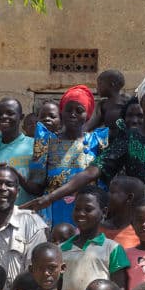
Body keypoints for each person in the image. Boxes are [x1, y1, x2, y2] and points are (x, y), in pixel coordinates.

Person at [26, 74, 145, 208]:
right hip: (139, 221)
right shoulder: (129, 138)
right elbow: (92, 171)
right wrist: (50, 198)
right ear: (141, 103)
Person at [23, 84, 108, 225]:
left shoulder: (97, 141)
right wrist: (17, 176)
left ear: (87, 115)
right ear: (62, 111)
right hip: (53, 212)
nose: (73, 114)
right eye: (69, 110)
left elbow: (103, 184)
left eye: (79, 110)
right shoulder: (46, 142)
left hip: (87, 213)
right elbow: (37, 185)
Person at [60, 186, 129, 290]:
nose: (81, 213)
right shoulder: (61, 249)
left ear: (104, 212)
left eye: (88, 209)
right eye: (77, 209)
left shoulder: (113, 249)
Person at [0, 97, 35, 205]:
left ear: (21, 117)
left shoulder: (34, 146)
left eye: (10, 113)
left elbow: (39, 187)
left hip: (26, 214)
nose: (4, 117)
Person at [101, 175, 145, 249]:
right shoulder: (98, 227)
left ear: (129, 198)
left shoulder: (141, 234)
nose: (107, 195)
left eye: (112, 192)